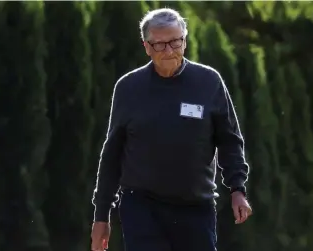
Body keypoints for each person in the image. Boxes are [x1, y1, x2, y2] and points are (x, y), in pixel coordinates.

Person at [90, 7, 252, 251]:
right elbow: (112, 154)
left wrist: (238, 188)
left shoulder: (208, 82)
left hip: (196, 206)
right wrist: (101, 215)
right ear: (146, 47)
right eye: (159, 45)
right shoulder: (128, 88)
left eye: (175, 42)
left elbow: (229, 140)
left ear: (185, 41)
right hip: (142, 205)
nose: (168, 51)